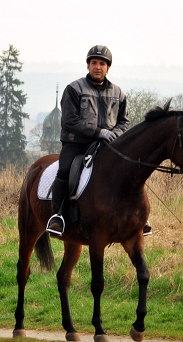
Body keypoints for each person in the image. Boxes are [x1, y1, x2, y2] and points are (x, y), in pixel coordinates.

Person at [46, 45, 133, 236]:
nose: (98, 67)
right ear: (88, 65)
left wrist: (114, 135)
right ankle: (57, 216)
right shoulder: (73, 89)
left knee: (129, 169)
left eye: (102, 63)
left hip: (107, 144)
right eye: (94, 63)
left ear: (108, 68)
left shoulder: (119, 93)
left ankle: (137, 218)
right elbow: (69, 121)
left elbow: (124, 121)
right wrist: (98, 132)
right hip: (76, 143)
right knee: (65, 169)